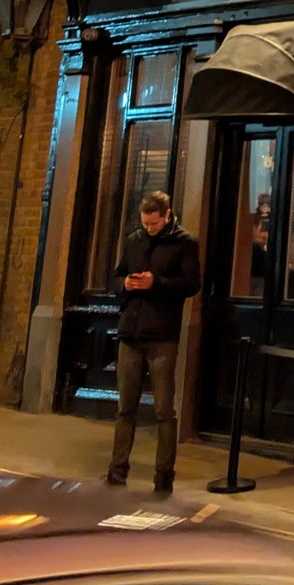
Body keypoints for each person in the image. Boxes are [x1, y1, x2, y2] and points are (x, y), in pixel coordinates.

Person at [107, 188, 201, 496]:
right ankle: (116, 471)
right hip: (130, 332)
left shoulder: (185, 243)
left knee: (164, 410)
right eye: (145, 223)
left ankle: (163, 477)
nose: (149, 228)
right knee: (125, 407)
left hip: (162, 335)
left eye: (154, 223)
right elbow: (116, 277)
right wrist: (125, 283)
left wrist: (155, 282)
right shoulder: (134, 240)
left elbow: (191, 284)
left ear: (167, 215)